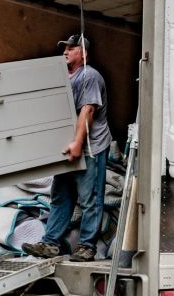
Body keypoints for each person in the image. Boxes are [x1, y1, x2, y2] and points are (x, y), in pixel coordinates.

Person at [22, 34, 112, 262]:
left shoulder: (89, 76)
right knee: (61, 196)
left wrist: (78, 144)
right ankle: (50, 243)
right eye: (65, 48)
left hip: (90, 148)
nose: (65, 51)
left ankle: (87, 247)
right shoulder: (65, 78)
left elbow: (88, 111)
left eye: (71, 48)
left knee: (90, 198)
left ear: (83, 53)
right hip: (67, 148)